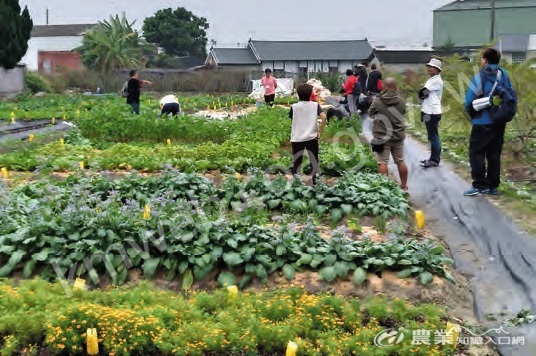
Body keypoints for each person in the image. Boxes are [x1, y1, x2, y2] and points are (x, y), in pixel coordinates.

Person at [463, 48, 513, 196]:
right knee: (494, 154)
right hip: (499, 121)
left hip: (481, 122)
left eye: (482, 58)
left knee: (476, 152)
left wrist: (473, 113)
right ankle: (493, 186)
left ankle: (479, 184)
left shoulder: (480, 77)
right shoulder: (504, 75)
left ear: (485, 60)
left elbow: (469, 101)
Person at [368, 78, 408, 191]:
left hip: (382, 136)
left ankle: (383, 189)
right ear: (395, 87)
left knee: (382, 162)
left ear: (384, 87)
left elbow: (370, 113)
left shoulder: (378, 100)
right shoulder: (401, 100)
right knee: (400, 161)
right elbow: (403, 112)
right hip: (398, 136)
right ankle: (404, 186)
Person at [289, 83, 327, 185]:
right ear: (310, 94)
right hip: (312, 137)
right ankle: (315, 183)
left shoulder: (294, 107)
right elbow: (324, 117)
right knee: (314, 161)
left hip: (297, 138)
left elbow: (293, 120)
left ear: (298, 94)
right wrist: (320, 131)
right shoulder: (315, 105)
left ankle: (296, 183)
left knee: (297, 162)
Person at [419, 58, 444, 168]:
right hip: (430, 110)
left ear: (437, 69)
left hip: (431, 112)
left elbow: (423, 93)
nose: (428, 68)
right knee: (432, 136)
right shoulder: (433, 79)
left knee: (433, 137)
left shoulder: (435, 81)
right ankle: (433, 158)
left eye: (431, 67)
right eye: (428, 66)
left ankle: (434, 160)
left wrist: (420, 94)